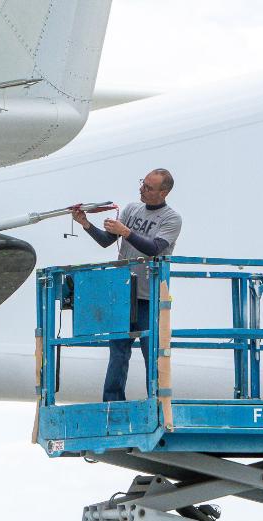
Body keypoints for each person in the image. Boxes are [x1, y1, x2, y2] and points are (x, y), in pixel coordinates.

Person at [71, 168, 182, 402]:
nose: (142, 190)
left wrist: (126, 232)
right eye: (142, 184)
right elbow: (106, 241)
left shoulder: (172, 218)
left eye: (149, 188)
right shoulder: (132, 209)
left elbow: (154, 248)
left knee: (151, 352)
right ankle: (112, 402)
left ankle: (157, 402)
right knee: (118, 351)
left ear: (164, 193)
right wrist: (86, 224)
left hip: (149, 296)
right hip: (123, 293)